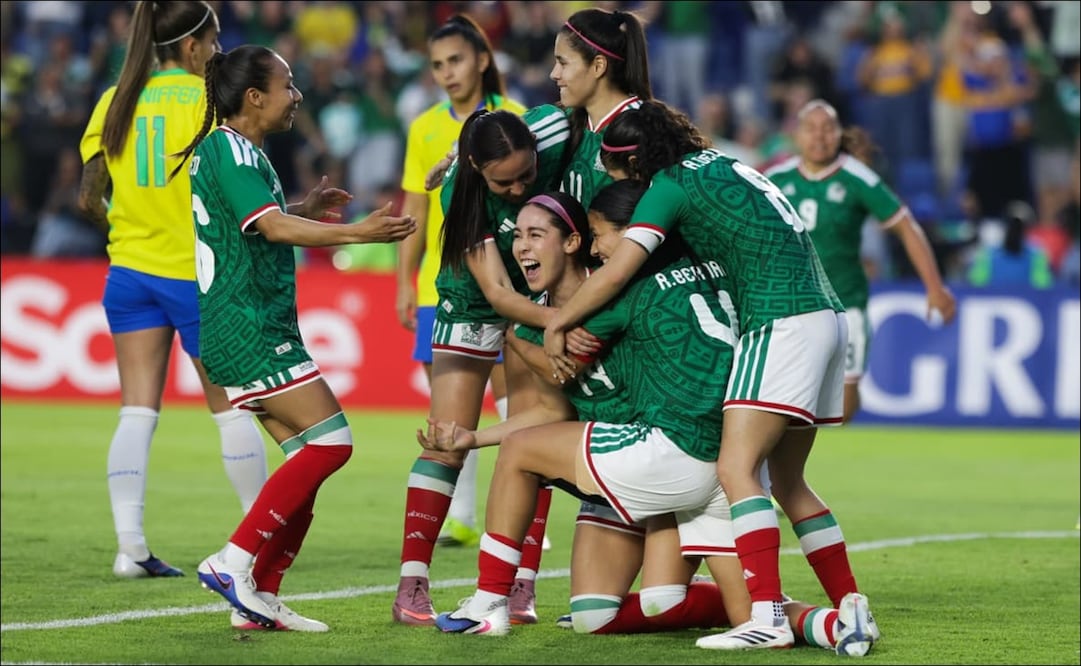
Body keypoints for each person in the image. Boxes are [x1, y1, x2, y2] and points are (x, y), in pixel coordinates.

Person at [543, 99, 879, 652]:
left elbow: (623, 264)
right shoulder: (724, 164)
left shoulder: (670, 185)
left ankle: (768, 616)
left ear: (636, 160)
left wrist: (559, 321)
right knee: (789, 483)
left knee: (735, 467)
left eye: (619, 169)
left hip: (778, 318)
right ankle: (849, 606)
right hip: (827, 313)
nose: (622, 182)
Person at [174, 44, 416, 631]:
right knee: (332, 443)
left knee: (305, 460)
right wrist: (359, 233)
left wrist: (304, 204)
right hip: (250, 326)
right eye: (287, 85)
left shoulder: (239, 152)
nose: (297, 94)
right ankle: (235, 561)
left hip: (251, 324)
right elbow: (272, 228)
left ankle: (255, 598)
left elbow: (259, 224)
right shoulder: (230, 150)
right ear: (254, 97)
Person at [76, 0, 269, 580]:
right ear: (192, 47)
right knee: (233, 411)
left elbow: (89, 196)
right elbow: (238, 183)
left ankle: (129, 547)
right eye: (213, 43)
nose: (216, 53)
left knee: (137, 411)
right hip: (194, 274)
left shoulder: (116, 99)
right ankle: (255, 544)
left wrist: (132, 222)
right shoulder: (208, 101)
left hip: (128, 273)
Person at [393, 106, 577, 627]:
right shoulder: (461, 194)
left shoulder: (550, 129)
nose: (520, 188)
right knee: (445, 438)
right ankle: (412, 584)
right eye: (505, 182)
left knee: (534, 440)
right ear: (477, 169)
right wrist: (565, 319)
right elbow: (496, 292)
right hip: (474, 302)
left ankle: (520, 586)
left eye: (527, 173)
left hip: (536, 290)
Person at [394, 13, 526, 564]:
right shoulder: (425, 127)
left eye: (456, 60)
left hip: (512, 289)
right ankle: (461, 518)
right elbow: (417, 208)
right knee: (450, 412)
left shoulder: (518, 121)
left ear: (482, 60)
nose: (447, 73)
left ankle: (498, 525)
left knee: (512, 406)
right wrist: (405, 280)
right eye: (438, 65)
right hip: (442, 287)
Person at [765, 99, 957, 422]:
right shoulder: (775, 180)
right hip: (790, 307)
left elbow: (906, 227)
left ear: (839, 134)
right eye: (811, 129)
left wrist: (934, 287)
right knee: (780, 396)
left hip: (845, 306)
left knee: (844, 409)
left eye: (828, 129)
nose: (820, 137)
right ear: (798, 136)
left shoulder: (856, 178)